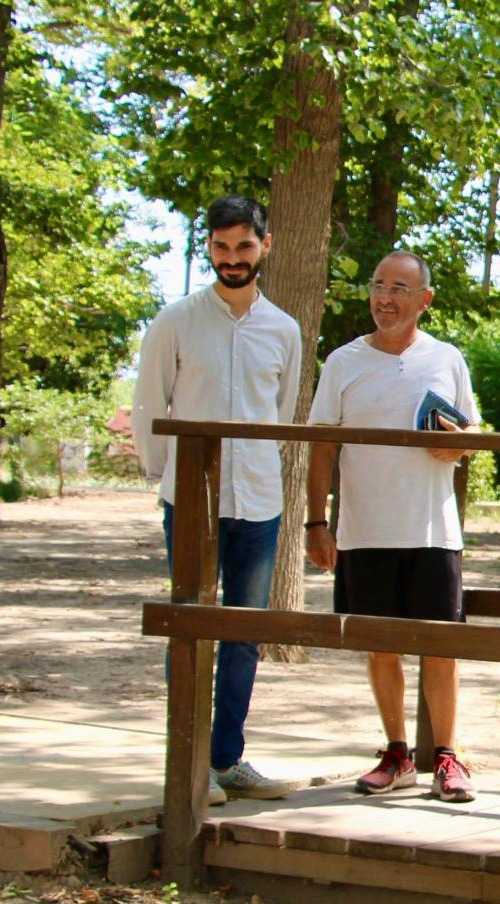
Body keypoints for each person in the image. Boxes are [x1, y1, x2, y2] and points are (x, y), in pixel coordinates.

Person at [132, 194, 301, 804]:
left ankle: (227, 760)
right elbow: (151, 404)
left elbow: (278, 416)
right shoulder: (175, 320)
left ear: (265, 246)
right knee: (192, 629)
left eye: (245, 247)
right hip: (191, 500)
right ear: (208, 247)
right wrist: (167, 478)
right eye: (222, 247)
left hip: (257, 499)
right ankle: (190, 763)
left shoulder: (284, 329)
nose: (233, 259)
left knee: (244, 633)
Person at [305, 250, 480, 803]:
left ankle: (447, 758)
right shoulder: (342, 362)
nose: (386, 297)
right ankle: (397, 752)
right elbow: (321, 446)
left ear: (424, 300)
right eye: (379, 285)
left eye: (400, 288)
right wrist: (317, 521)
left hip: (433, 531)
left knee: (441, 648)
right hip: (364, 531)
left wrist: (453, 445)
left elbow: (469, 433)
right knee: (381, 648)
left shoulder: (447, 358)